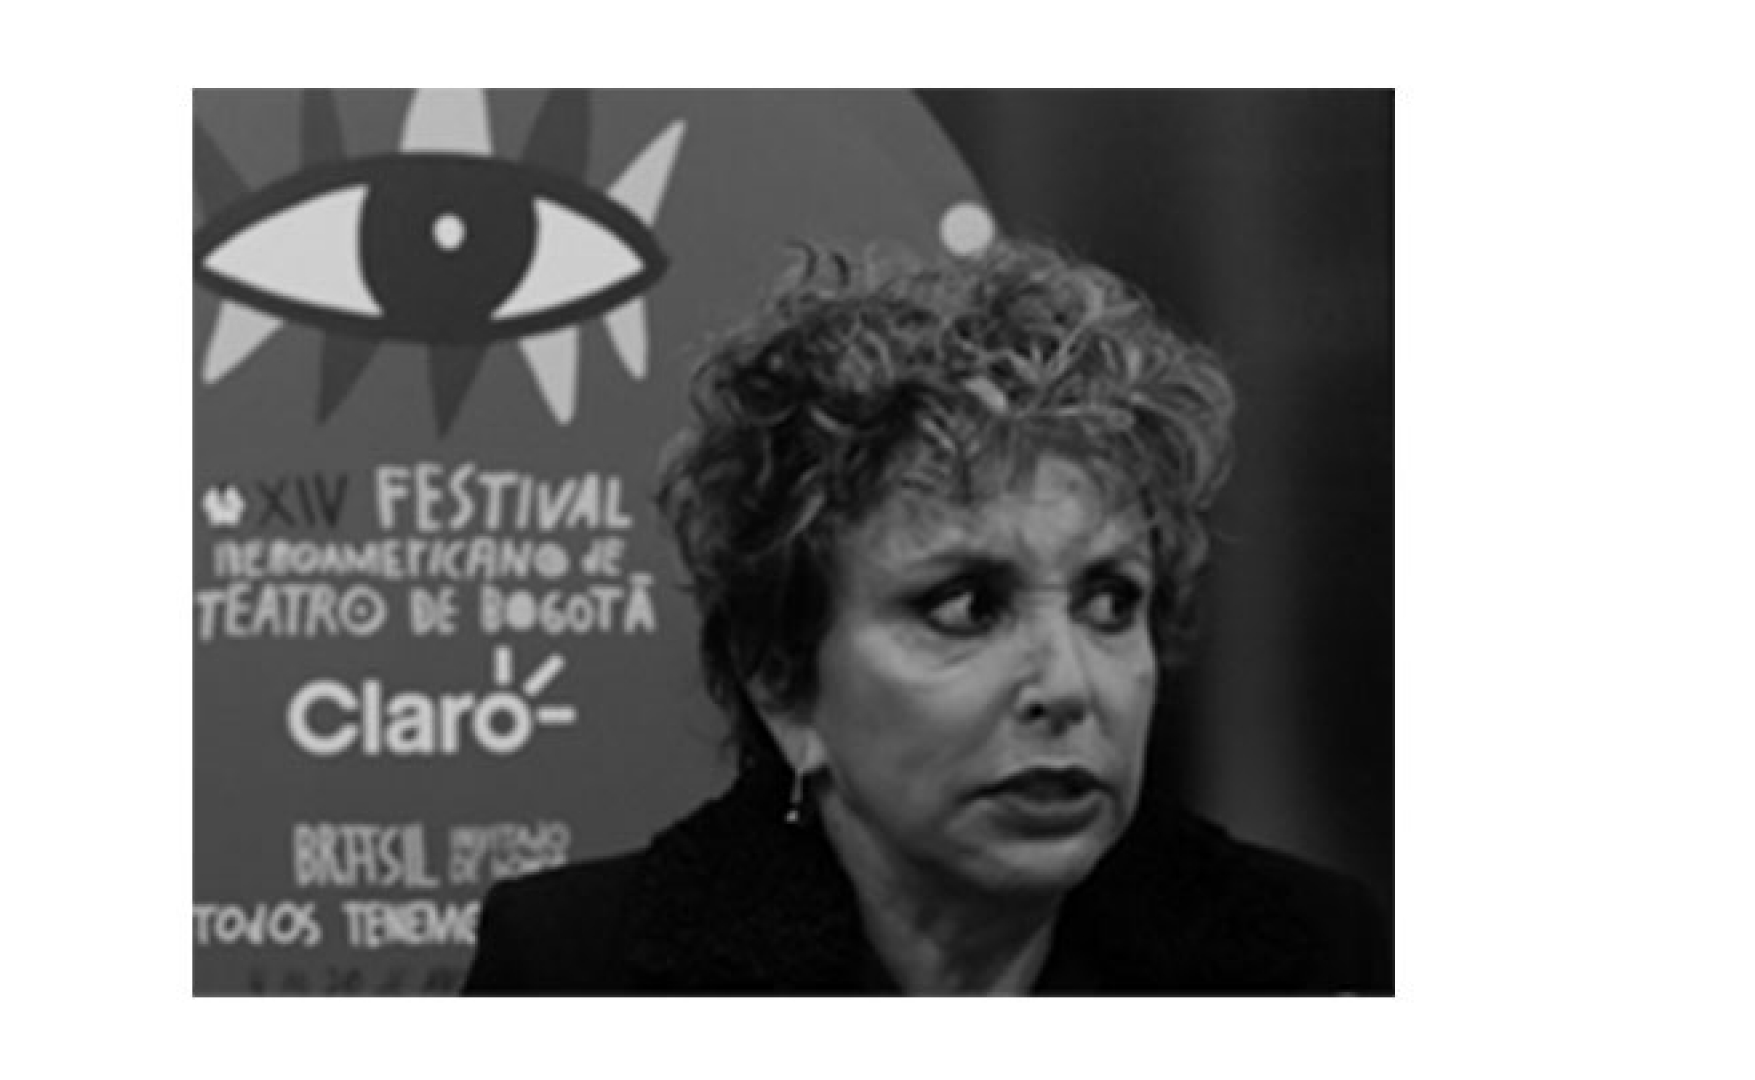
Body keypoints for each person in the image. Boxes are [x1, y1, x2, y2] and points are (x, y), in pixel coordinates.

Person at [462, 237, 1389, 994]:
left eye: (1111, 602)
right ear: (784, 681)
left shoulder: (1316, 967)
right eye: (968, 607)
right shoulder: (576, 975)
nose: (1068, 686)